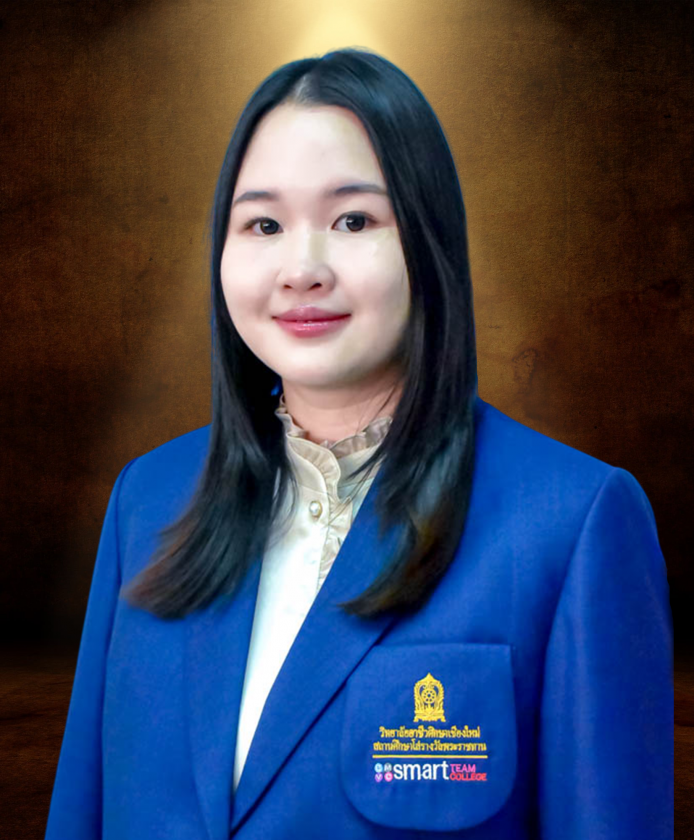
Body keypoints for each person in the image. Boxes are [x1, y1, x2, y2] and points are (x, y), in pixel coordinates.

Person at [44, 48, 673, 840]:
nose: (302, 269)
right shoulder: (149, 499)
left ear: (430, 240)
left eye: (353, 220)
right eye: (263, 224)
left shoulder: (573, 521)